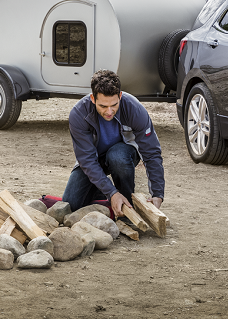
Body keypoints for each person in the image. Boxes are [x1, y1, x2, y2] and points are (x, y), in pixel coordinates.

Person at [62, 69, 164, 217]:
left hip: (123, 155)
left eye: (114, 105)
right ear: (92, 98)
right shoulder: (79, 114)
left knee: (117, 157)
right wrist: (111, 192)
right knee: (72, 203)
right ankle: (108, 192)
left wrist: (157, 193)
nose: (109, 111)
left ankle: (127, 204)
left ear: (120, 96)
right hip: (94, 158)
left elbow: (151, 152)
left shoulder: (134, 109)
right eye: (103, 106)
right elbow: (87, 160)